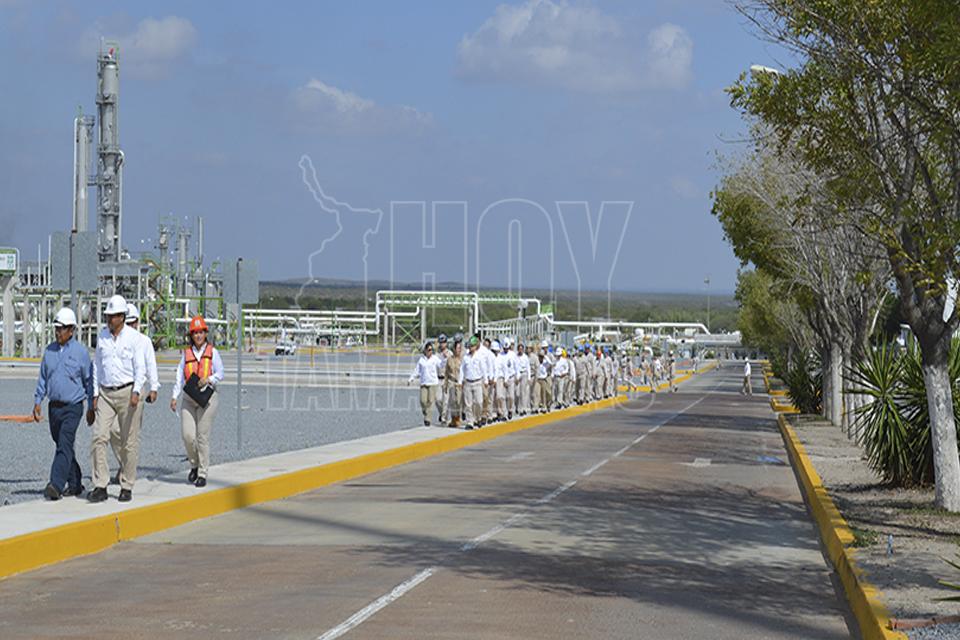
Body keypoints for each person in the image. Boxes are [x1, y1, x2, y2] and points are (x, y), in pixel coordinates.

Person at [33, 307, 94, 500]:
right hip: (54, 407)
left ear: (72, 330)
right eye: (57, 328)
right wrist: (38, 401)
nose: (58, 332)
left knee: (65, 442)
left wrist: (91, 406)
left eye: (62, 328)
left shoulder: (81, 353)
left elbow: (89, 381)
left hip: (73, 407)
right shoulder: (49, 351)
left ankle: (56, 484)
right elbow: (43, 378)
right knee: (62, 445)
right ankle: (75, 483)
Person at [89, 295, 145, 503]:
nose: (108, 319)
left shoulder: (133, 338)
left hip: (127, 392)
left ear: (121, 317)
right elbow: (97, 366)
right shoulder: (102, 337)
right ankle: (100, 485)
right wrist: (95, 394)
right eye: (107, 316)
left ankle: (127, 485)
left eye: (112, 316)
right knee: (99, 437)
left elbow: (140, 367)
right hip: (105, 393)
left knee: (129, 442)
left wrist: (136, 391)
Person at [170, 315, 225, 487]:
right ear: (191, 335)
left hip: (207, 398)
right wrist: (174, 396)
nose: (198, 335)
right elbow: (180, 375)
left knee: (202, 436)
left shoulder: (213, 352)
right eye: (195, 333)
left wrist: (209, 379)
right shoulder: (186, 354)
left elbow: (221, 373)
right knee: (188, 435)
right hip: (189, 397)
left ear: (205, 334)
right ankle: (193, 465)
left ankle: (202, 472)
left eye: (201, 332)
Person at [111, 303, 159, 485]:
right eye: (128, 322)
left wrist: (154, 387)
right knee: (113, 430)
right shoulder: (117, 339)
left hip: (137, 391)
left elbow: (151, 365)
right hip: (117, 390)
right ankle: (125, 464)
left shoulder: (143, 341)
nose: (130, 326)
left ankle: (127, 472)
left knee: (131, 435)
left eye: (133, 322)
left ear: (137, 322)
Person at [408, 341, 443, 426]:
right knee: (423, 401)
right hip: (424, 382)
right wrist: (411, 378)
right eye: (429, 350)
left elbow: (441, 365)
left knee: (430, 401)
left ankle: (427, 419)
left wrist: (446, 359)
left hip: (433, 383)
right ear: (425, 351)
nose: (430, 352)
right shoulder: (421, 360)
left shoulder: (435, 359)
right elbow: (417, 370)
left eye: (431, 350)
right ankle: (426, 413)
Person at [459, 336, 487, 429]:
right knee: (468, 404)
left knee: (479, 402)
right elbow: (462, 369)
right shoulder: (465, 358)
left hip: (477, 382)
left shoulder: (479, 357)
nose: (470, 348)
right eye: (470, 346)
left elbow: (483, 369)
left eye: (472, 346)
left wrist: (486, 380)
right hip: (468, 382)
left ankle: (478, 418)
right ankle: (470, 422)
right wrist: (460, 381)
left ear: (476, 346)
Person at [443, 339, 463, 428]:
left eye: (460, 348)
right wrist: (445, 384)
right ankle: (453, 419)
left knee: (459, 401)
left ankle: (458, 417)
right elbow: (446, 372)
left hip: (460, 382)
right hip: (451, 382)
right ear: (454, 349)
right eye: (458, 348)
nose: (459, 350)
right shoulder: (449, 359)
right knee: (452, 401)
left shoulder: (463, 359)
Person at [435, 334, 450, 424]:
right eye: (441, 342)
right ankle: (442, 414)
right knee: (438, 399)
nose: (442, 344)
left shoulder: (450, 354)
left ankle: (444, 418)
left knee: (446, 400)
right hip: (438, 378)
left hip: (446, 379)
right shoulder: (437, 354)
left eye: (444, 342)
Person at [515, 343, 530, 415]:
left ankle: (523, 408)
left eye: (521, 349)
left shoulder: (525, 357)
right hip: (518, 374)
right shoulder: (516, 357)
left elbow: (528, 367)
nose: (520, 350)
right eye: (519, 349)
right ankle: (517, 407)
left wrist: (529, 377)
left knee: (523, 392)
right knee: (517, 392)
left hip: (524, 373)